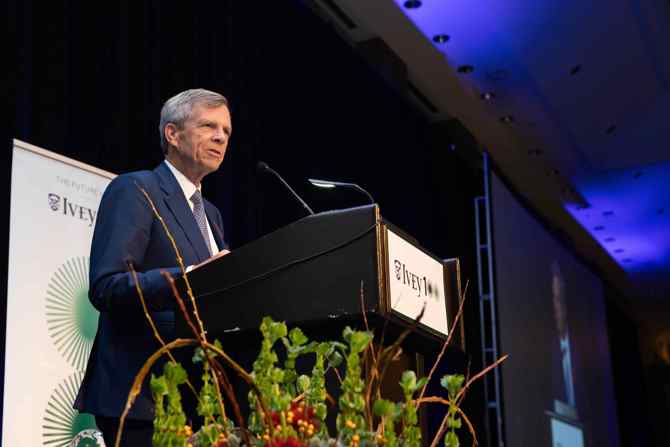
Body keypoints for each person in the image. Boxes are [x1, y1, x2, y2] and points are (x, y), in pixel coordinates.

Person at [74, 88, 233, 446]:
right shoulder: (135, 189)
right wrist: (191, 278)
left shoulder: (212, 215)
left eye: (226, 130)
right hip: (139, 394)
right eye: (208, 125)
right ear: (172, 134)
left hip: (198, 397)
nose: (221, 136)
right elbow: (108, 285)